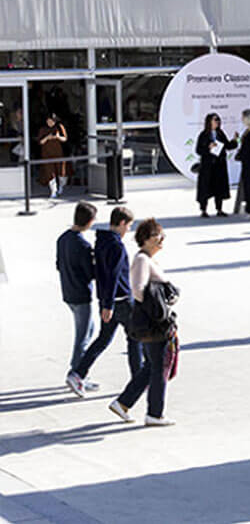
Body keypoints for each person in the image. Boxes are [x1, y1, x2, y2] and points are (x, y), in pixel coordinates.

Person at [109, 218, 177, 426]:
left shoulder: (147, 259)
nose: (161, 239)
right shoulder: (141, 260)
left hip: (154, 322)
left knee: (152, 366)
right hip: (154, 323)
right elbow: (138, 290)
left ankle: (123, 403)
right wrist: (158, 306)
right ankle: (154, 414)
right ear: (146, 239)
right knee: (159, 368)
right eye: (157, 235)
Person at [68, 207, 142, 396]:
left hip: (107, 300)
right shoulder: (116, 246)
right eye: (129, 226)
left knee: (103, 339)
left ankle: (78, 373)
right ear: (122, 223)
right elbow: (113, 276)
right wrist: (108, 304)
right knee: (135, 339)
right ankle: (138, 379)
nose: (129, 231)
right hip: (121, 301)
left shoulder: (102, 240)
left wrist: (104, 303)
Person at [58, 202, 98, 396]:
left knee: (88, 331)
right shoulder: (83, 245)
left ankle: (80, 372)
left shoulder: (63, 239)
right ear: (89, 221)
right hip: (81, 294)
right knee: (84, 336)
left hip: (68, 292)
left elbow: (58, 264)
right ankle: (77, 373)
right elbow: (90, 272)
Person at [196, 113, 237, 218]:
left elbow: (227, 145)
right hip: (208, 166)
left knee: (219, 186)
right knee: (206, 187)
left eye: (218, 120)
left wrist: (235, 140)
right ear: (209, 122)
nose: (217, 122)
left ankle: (219, 209)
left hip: (219, 165)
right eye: (215, 120)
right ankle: (204, 210)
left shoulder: (220, 133)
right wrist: (208, 147)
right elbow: (198, 150)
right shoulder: (203, 135)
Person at [37, 113, 68, 198]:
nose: (50, 122)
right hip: (47, 154)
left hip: (59, 154)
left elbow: (65, 139)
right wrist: (47, 138)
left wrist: (58, 137)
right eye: (49, 121)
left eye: (52, 121)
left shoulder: (59, 127)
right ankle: (53, 190)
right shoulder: (43, 129)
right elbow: (40, 142)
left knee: (62, 173)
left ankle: (61, 187)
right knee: (50, 173)